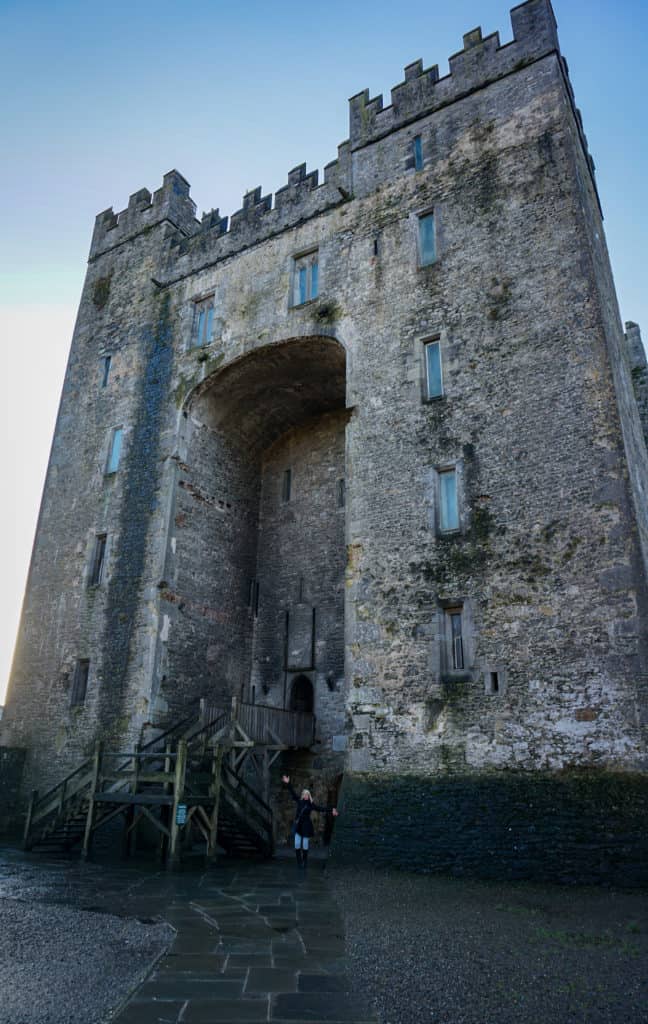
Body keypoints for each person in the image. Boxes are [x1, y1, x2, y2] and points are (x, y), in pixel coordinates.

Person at [282, 775, 339, 868]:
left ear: (309, 796)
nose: (305, 795)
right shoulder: (299, 801)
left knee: (304, 845)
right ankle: (299, 861)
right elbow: (292, 792)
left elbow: (320, 809)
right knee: (296, 844)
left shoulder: (311, 805)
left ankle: (304, 860)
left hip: (306, 826)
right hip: (298, 825)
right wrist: (288, 783)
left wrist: (331, 809)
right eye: (304, 794)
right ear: (302, 795)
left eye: (307, 794)